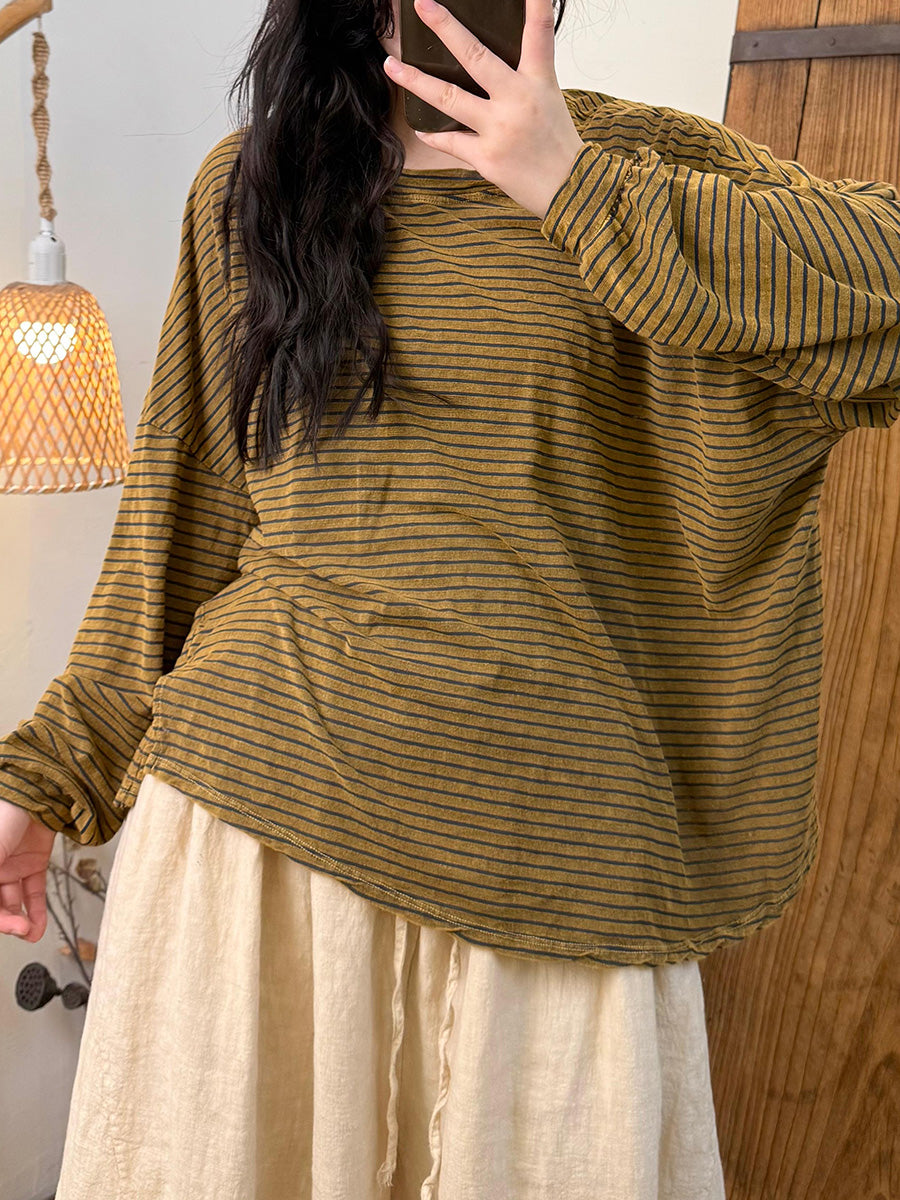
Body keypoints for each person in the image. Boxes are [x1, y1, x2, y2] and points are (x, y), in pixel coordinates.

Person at [2, 0, 899, 1196]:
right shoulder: (255, 185)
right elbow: (183, 518)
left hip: (560, 856)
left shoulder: (636, 161)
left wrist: (572, 187)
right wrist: (45, 779)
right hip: (254, 829)